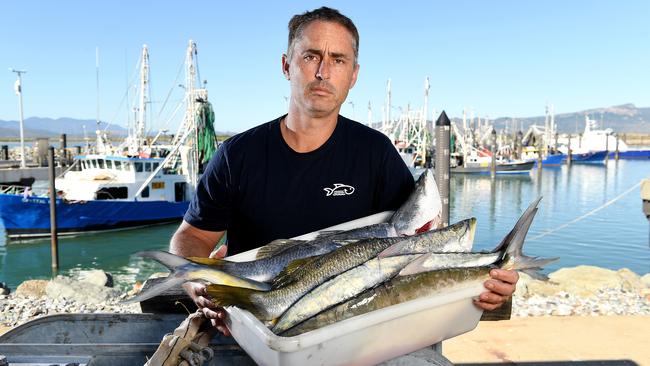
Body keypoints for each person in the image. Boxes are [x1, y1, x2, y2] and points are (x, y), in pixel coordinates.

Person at [170, 6, 518, 336]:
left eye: (338, 60)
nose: (323, 72)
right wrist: (196, 283)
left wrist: (486, 283)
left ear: (353, 75)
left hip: (357, 332)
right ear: (286, 65)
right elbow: (192, 238)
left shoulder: (376, 153)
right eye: (310, 56)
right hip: (254, 331)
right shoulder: (237, 155)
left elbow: (420, 249)